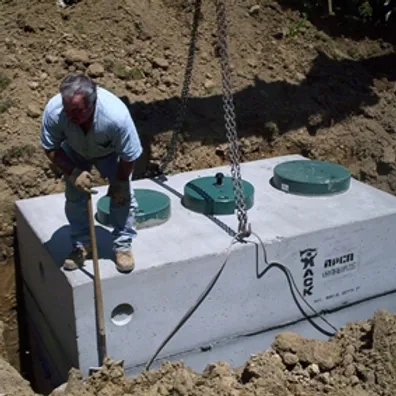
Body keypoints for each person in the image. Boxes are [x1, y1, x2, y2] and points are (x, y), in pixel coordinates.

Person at [40, 73, 143, 273]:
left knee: (122, 197)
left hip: (110, 152)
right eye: (67, 109)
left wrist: (120, 182)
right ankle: (81, 245)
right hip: (75, 149)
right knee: (75, 196)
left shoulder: (115, 117)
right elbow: (50, 146)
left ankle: (122, 245)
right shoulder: (55, 112)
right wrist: (72, 172)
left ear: (92, 104)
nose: (70, 115)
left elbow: (129, 154)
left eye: (76, 111)